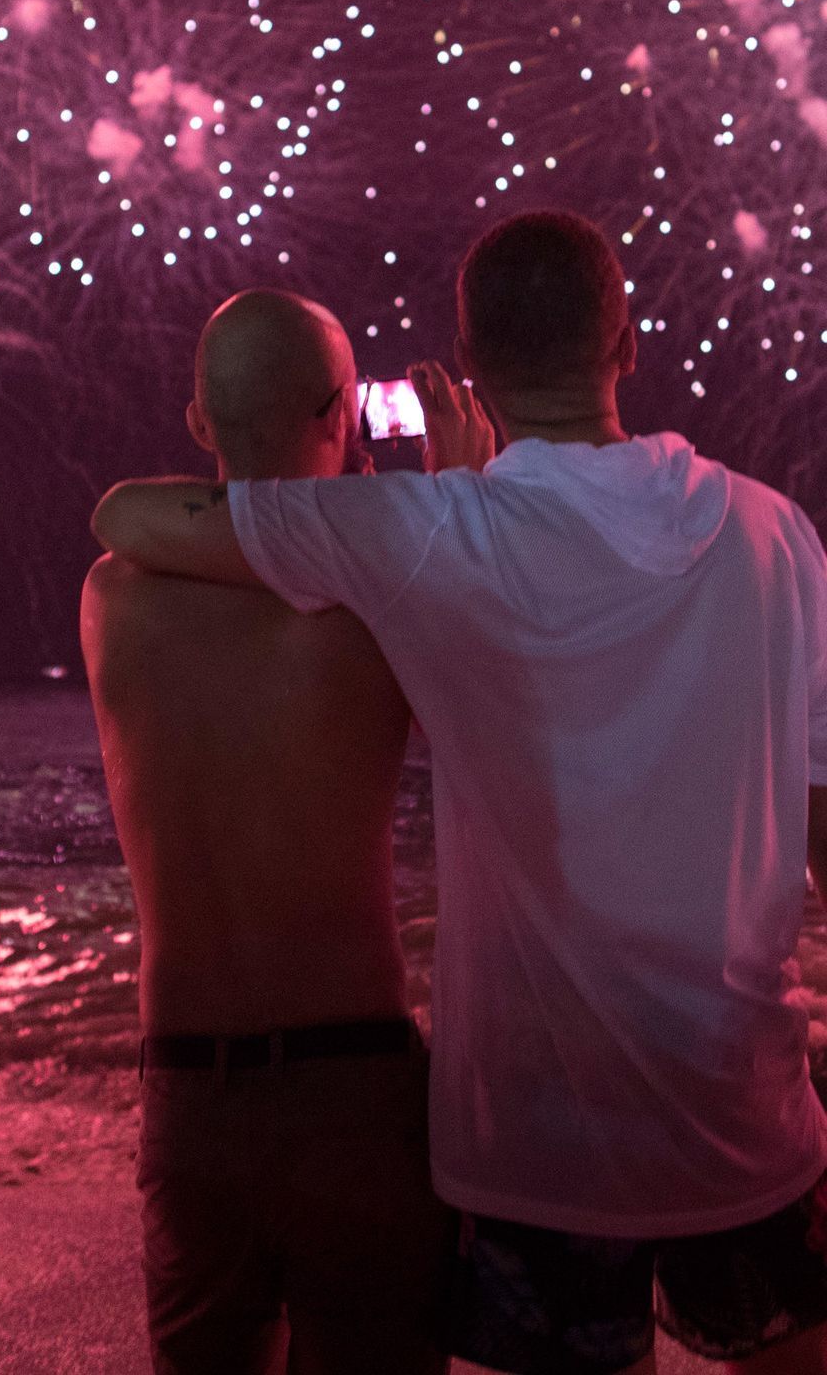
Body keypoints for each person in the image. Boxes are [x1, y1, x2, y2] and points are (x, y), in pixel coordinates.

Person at [93, 210, 827, 1375]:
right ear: (625, 342)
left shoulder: (418, 539)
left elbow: (130, 515)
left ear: (469, 364)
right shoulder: (778, 535)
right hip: (743, 1099)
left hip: (533, 1138)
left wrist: (454, 494)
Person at [81, 288, 448, 1375]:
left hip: (189, 1092)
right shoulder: (383, 596)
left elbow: (155, 520)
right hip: (355, 1085)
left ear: (199, 422)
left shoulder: (113, 600)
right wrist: (427, 501)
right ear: (344, 412)